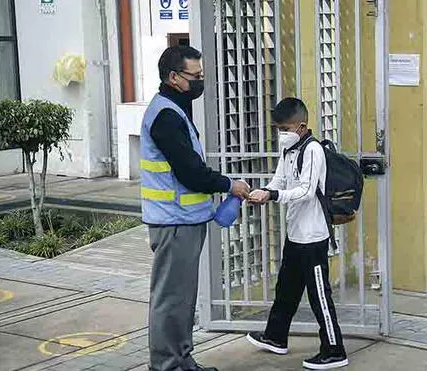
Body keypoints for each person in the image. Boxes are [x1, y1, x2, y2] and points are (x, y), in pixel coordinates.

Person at [141, 45, 250, 371]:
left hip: (183, 220)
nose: (200, 82)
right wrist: (229, 185)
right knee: (171, 300)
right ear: (174, 77)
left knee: (182, 299)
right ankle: (167, 366)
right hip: (173, 222)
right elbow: (190, 172)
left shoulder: (175, 108)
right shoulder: (166, 116)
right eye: (195, 77)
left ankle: (181, 360)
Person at [245, 98, 349, 370]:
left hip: (313, 237)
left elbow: (305, 190)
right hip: (295, 233)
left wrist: (273, 195)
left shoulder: (313, 150)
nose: (281, 134)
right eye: (278, 128)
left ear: (301, 126)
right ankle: (276, 337)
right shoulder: (289, 149)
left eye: (285, 128)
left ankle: (335, 349)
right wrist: (263, 192)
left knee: (319, 295)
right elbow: (279, 180)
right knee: (287, 289)